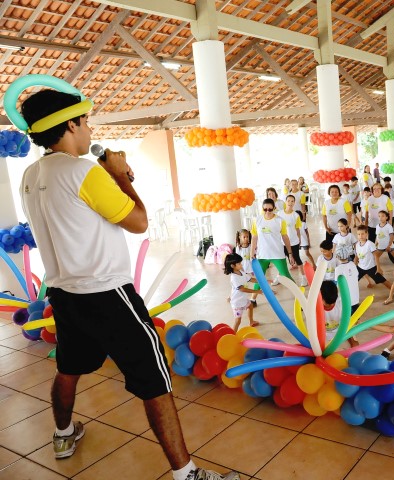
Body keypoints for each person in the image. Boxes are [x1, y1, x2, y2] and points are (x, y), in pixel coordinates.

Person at [19, 89, 238, 480]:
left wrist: (110, 178)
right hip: (108, 295)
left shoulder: (32, 175)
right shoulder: (82, 171)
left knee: (68, 367)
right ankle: (187, 474)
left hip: (64, 294)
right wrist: (120, 177)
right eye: (85, 122)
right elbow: (138, 221)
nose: (88, 130)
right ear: (70, 124)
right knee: (155, 381)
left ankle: (63, 434)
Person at [251, 198, 296, 280]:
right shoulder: (257, 220)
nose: (267, 211)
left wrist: (290, 254)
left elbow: (285, 237)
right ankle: (254, 293)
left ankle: (298, 293)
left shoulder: (280, 221)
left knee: (286, 276)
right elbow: (254, 237)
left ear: (274, 208)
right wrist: (252, 252)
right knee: (260, 279)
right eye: (265, 209)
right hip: (262, 255)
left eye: (270, 209)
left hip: (277, 254)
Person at [224, 253, 261, 330]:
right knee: (238, 321)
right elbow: (242, 289)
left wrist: (262, 281)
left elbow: (250, 279)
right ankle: (233, 335)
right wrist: (257, 291)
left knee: (250, 306)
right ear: (232, 266)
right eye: (239, 263)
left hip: (243, 299)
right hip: (237, 303)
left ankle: (251, 321)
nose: (241, 265)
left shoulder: (241, 272)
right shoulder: (234, 278)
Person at [320, 281, 358, 348]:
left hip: (341, 332)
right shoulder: (314, 305)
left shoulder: (342, 302)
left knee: (355, 346)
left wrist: (352, 340)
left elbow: (346, 323)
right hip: (322, 335)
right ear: (319, 297)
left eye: (332, 303)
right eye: (327, 304)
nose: (330, 305)